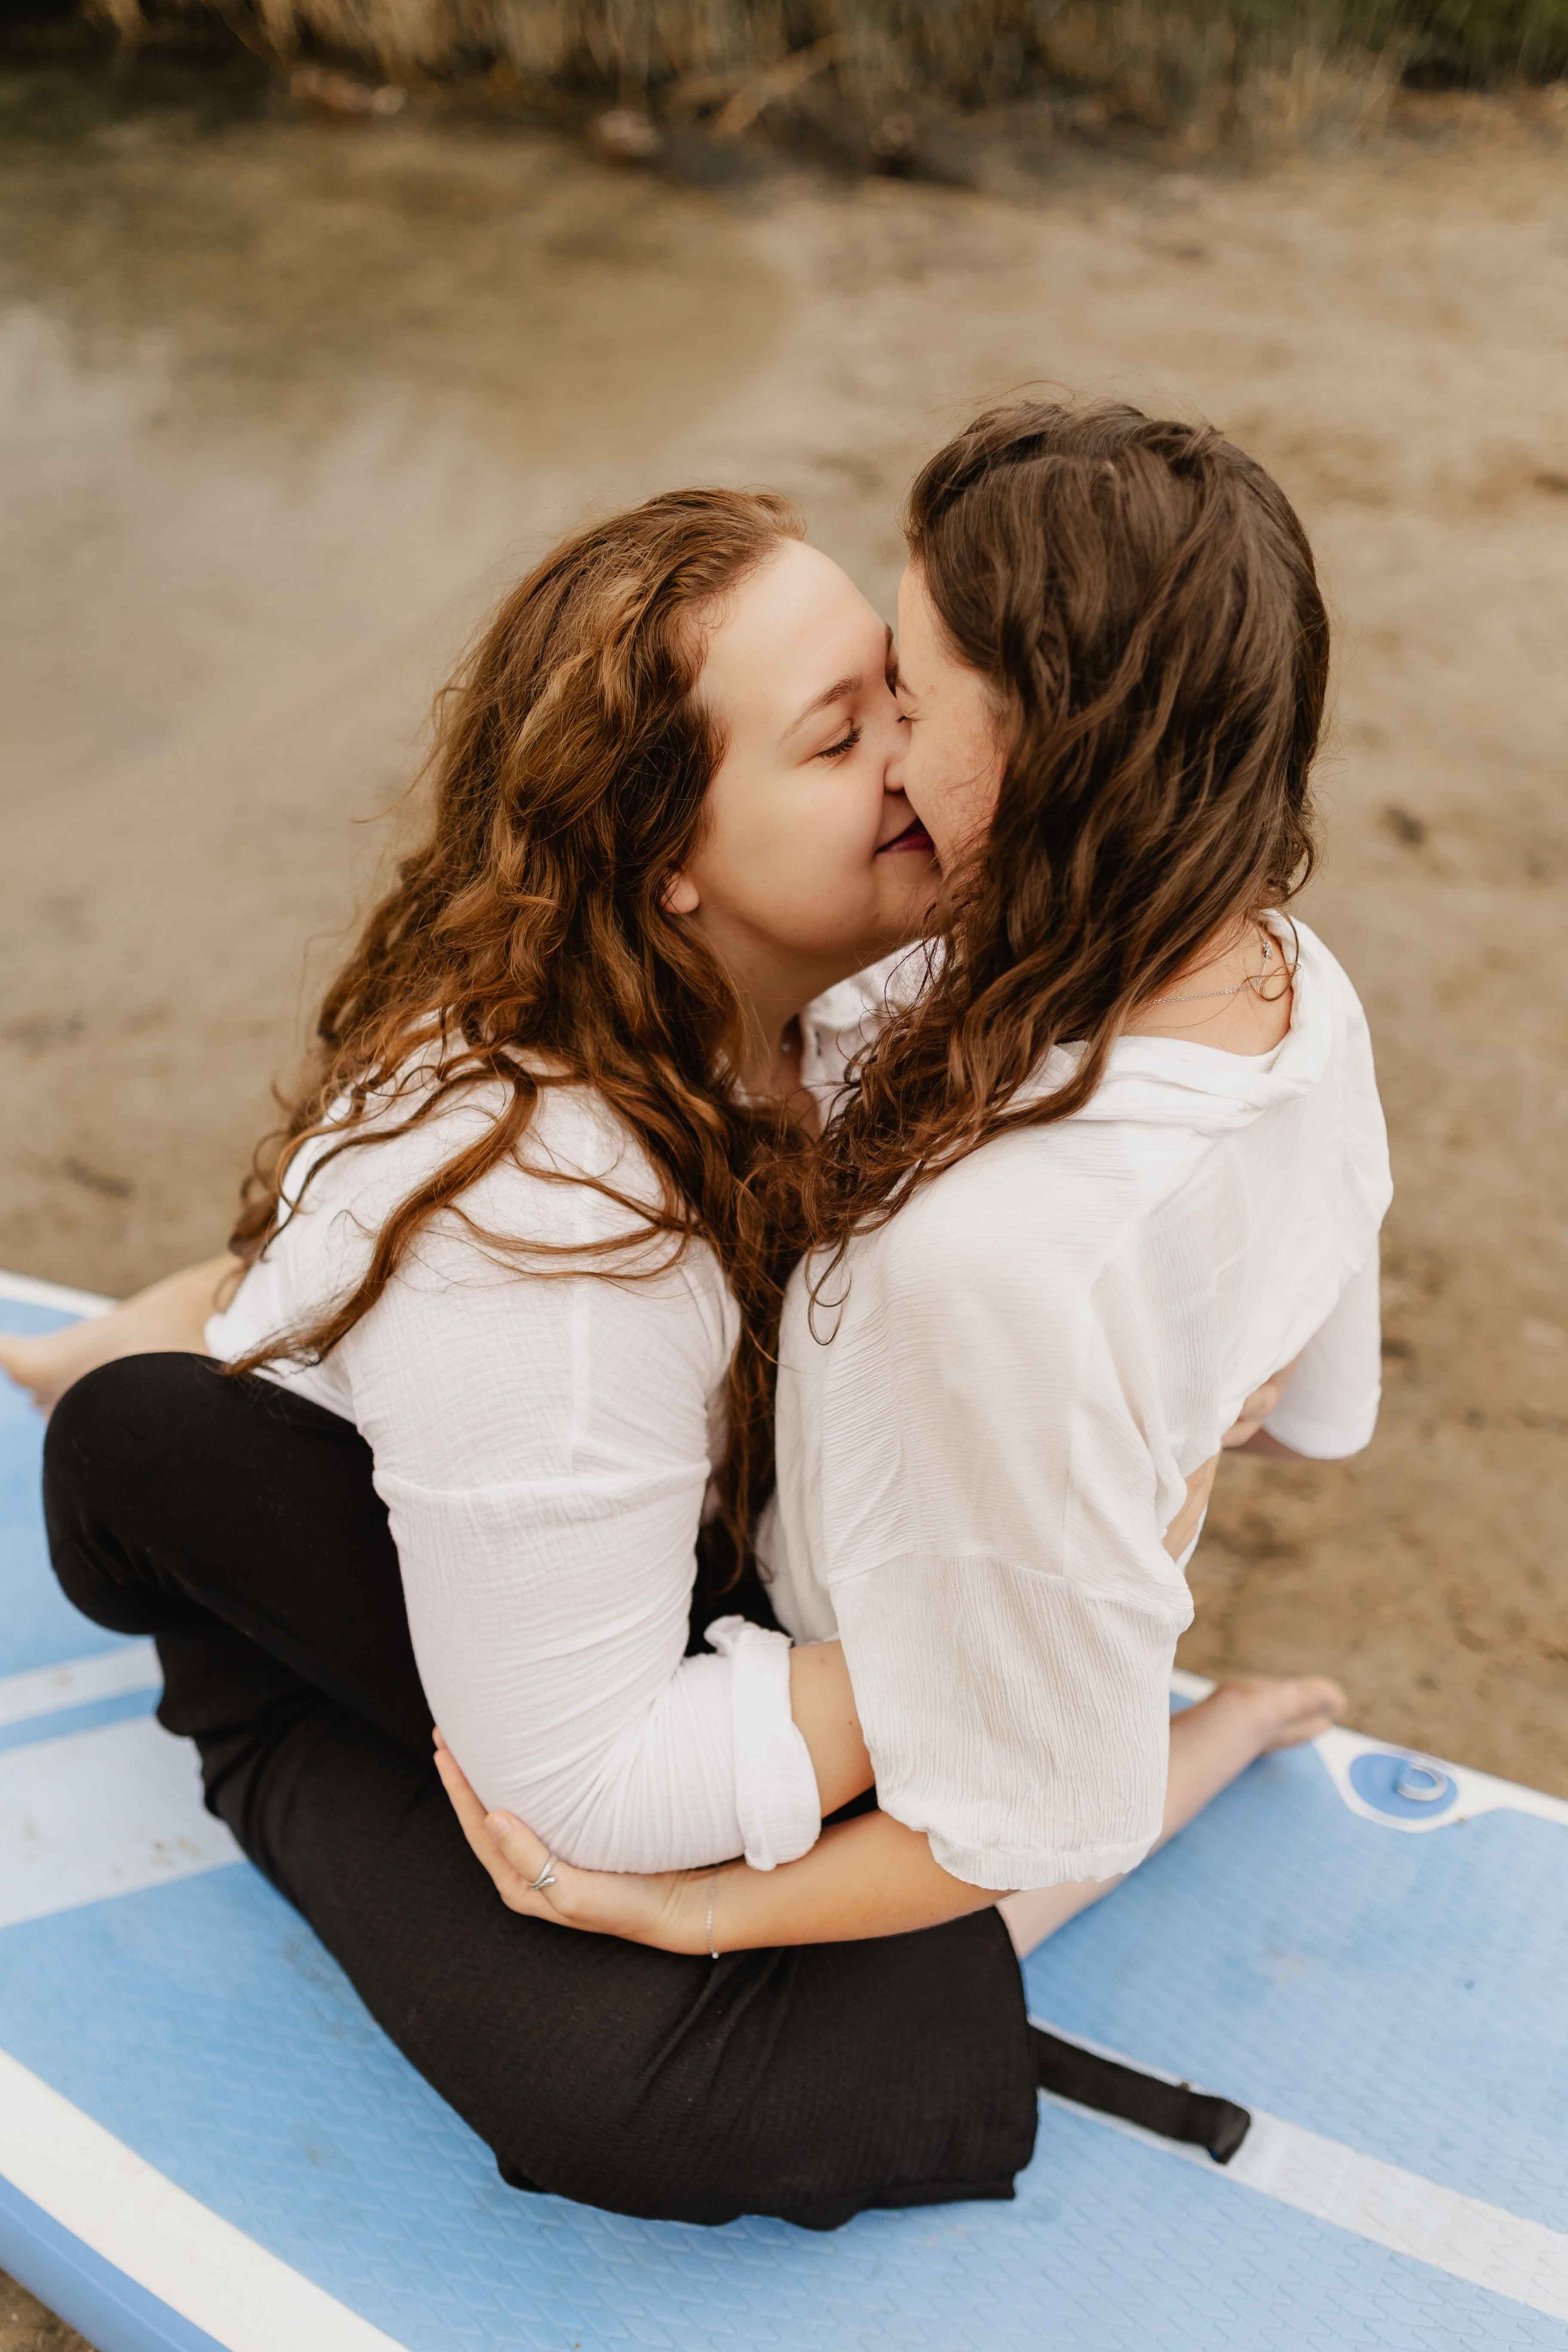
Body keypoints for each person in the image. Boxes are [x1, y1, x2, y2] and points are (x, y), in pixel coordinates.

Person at [20, 426, 1350, 2228]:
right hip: (403, 1613)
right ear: (669, 862)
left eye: (904, 693)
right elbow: (588, 1789)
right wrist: (1015, 1614)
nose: (924, 760)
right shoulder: (558, 1241)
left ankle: (190, 1326)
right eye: (838, 734)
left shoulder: (894, 969)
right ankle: (183, 1378)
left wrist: (1076, 1544)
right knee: (645, 2096)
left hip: (660, 1532)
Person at [430, 401, 1389, 1975]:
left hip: (860, 1672)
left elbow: (1012, 1812)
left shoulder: (989, 1261)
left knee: (651, 2075)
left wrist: (696, 1913)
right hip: (1015, 1562)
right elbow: (1305, 1381)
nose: (887, 745)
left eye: (910, 698)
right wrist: (1173, 1444)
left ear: (1040, 753)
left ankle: (1200, 1748)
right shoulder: (1282, 972)